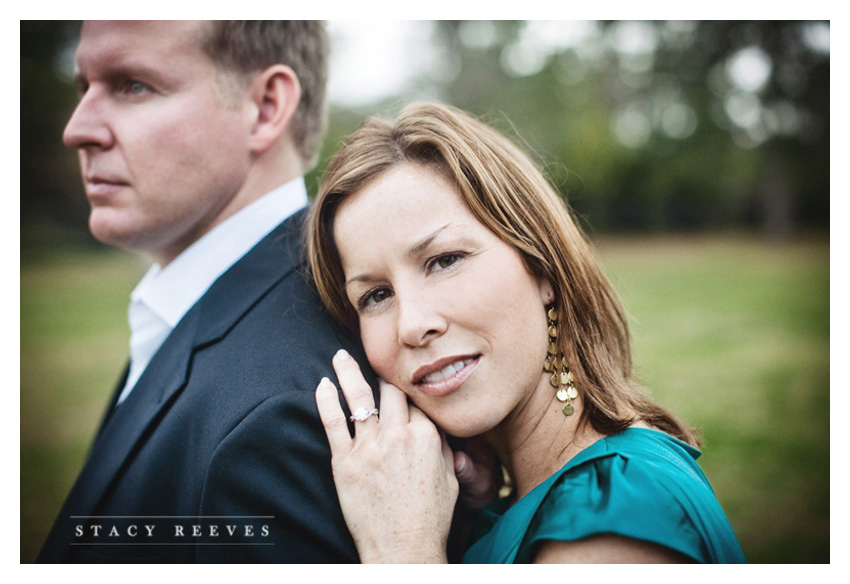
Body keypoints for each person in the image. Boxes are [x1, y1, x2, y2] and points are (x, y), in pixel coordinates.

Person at [306, 102, 747, 563]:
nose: (412, 325)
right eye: (376, 295)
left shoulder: (608, 520)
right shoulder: (524, 497)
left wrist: (402, 550)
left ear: (542, 268)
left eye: (445, 260)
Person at [38, 19, 365, 563]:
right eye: (84, 87)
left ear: (264, 107)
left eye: (132, 85)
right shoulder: (225, 312)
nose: (78, 129)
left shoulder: (278, 411)